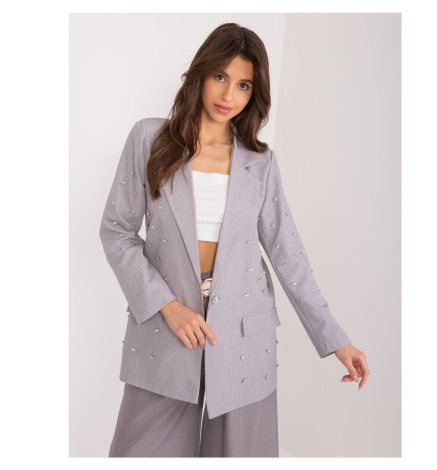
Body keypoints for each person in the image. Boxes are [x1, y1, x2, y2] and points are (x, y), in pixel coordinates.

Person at [100, 22, 369, 458]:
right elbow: (116, 231)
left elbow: (288, 255)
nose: (229, 95)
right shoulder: (150, 139)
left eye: (243, 85)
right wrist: (169, 306)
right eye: (220, 77)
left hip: (245, 337)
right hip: (167, 329)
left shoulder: (260, 163)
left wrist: (336, 340)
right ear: (201, 74)